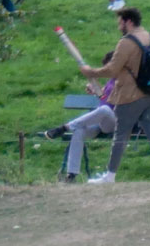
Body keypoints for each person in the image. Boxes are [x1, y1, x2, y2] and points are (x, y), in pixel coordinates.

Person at [79, 7, 150, 183]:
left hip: (130, 95)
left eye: (120, 22)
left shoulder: (126, 42)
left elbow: (112, 69)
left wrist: (90, 72)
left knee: (120, 135)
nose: (118, 26)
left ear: (128, 22)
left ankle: (110, 175)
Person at [44, 50, 120, 183]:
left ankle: (65, 127)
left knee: (104, 109)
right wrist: (96, 91)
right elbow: (103, 97)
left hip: (115, 123)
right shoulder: (111, 81)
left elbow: (113, 102)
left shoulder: (125, 80)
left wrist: (100, 91)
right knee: (79, 131)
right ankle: (71, 174)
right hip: (101, 123)